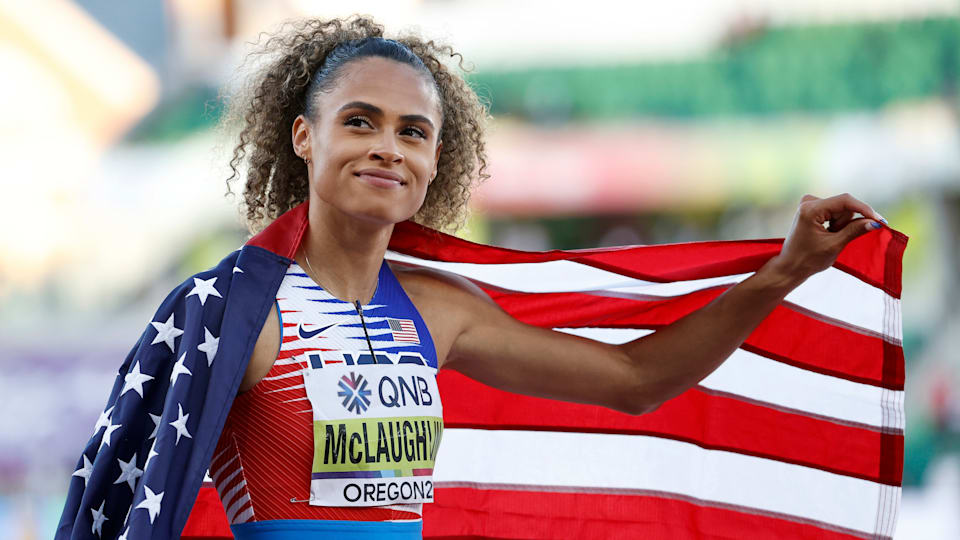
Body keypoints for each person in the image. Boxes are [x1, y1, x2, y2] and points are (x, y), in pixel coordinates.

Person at [57, 15, 888, 540]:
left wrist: (780, 275)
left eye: (413, 132)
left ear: (432, 165)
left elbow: (638, 381)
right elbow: (130, 494)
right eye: (359, 121)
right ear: (304, 138)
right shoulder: (232, 309)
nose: (388, 145)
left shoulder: (440, 313)